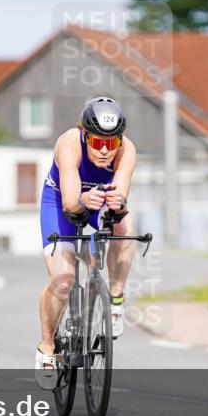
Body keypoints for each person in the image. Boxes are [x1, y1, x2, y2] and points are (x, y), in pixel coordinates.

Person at [36, 96, 136, 386]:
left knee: (125, 226)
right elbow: (70, 204)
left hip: (99, 200)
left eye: (112, 142)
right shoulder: (68, 144)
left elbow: (120, 205)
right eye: (97, 142)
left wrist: (118, 206)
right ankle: (47, 346)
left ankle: (115, 300)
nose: (105, 150)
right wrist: (83, 200)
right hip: (61, 202)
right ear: (85, 135)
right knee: (63, 281)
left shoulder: (126, 150)